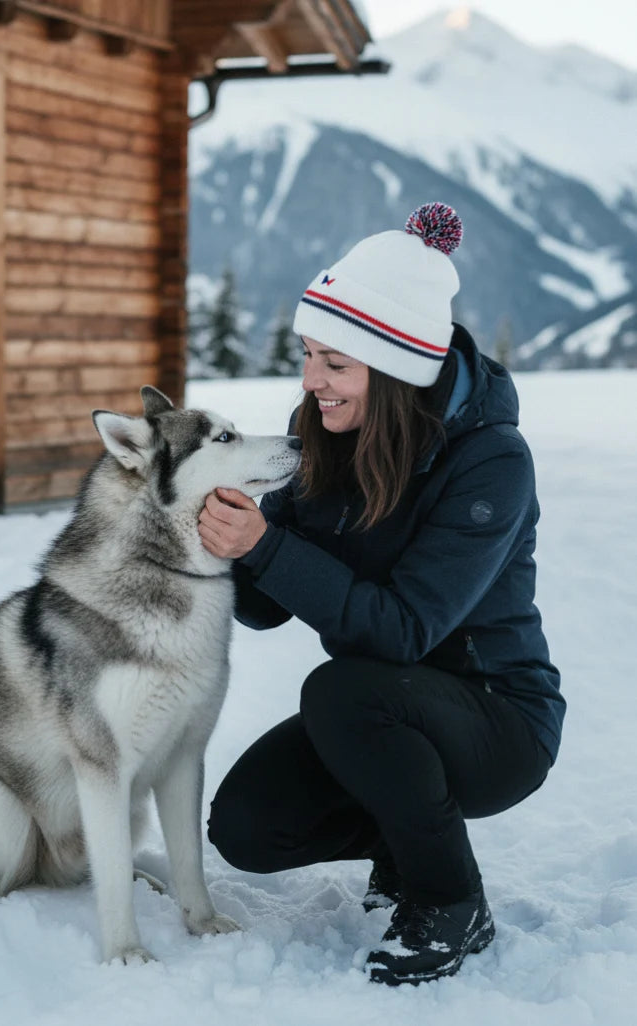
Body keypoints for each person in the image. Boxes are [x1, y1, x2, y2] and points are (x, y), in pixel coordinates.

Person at [197, 203, 564, 987]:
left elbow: (401, 631)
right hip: (381, 711)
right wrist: (222, 540)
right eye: (307, 354)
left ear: (394, 368)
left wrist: (267, 544)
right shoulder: (326, 433)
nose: (311, 380)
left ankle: (450, 899)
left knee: (343, 688)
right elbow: (266, 605)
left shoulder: (491, 462)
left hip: (497, 718)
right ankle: (405, 841)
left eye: (334, 362)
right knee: (247, 828)